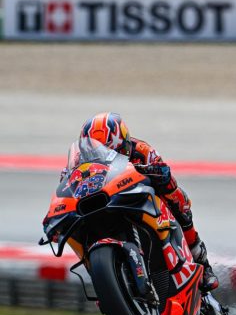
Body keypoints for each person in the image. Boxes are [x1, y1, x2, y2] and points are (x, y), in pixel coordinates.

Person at [74, 112, 218, 292]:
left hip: (138, 198)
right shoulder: (78, 161)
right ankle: (104, 285)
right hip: (103, 203)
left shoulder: (142, 150)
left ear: (124, 144)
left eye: (112, 151)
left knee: (178, 198)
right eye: (96, 152)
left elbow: (166, 175)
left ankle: (202, 262)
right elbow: (67, 184)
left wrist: (155, 171)